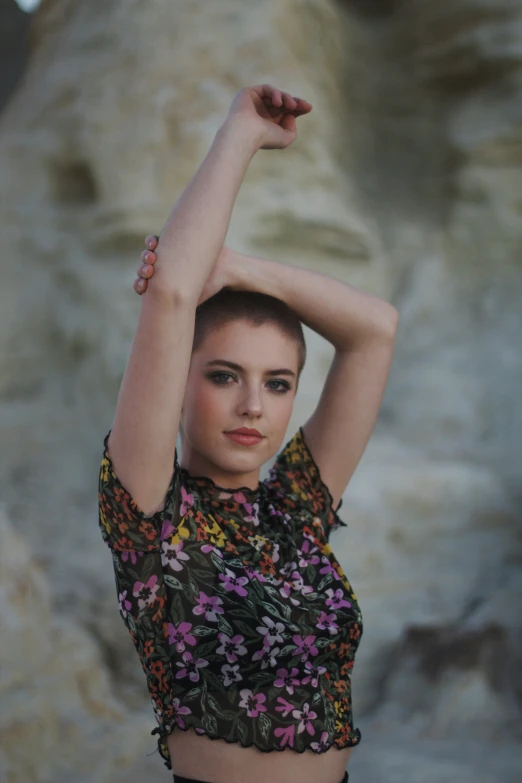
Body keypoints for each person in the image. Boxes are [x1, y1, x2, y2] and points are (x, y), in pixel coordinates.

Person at [98, 84, 399, 783]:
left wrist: (238, 270)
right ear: (178, 382)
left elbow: (374, 329)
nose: (253, 407)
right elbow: (172, 291)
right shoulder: (150, 516)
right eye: (225, 375)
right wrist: (241, 131)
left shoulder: (294, 509)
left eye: (278, 383)